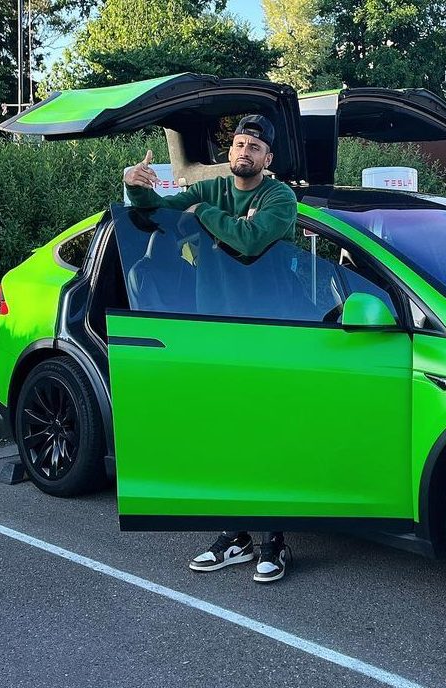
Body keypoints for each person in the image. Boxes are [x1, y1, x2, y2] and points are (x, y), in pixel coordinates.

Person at [123, 114, 296, 583]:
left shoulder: (279, 197)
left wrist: (206, 217)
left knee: (264, 437)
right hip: (212, 333)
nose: (244, 153)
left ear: (268, 158)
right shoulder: (211, 190)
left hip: (269, 335)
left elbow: (251, 240)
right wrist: (135, 187)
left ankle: (273, 542)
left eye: (254, 148)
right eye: (238, 144)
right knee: (224, 438)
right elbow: (156, 216)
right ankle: (235, 536)